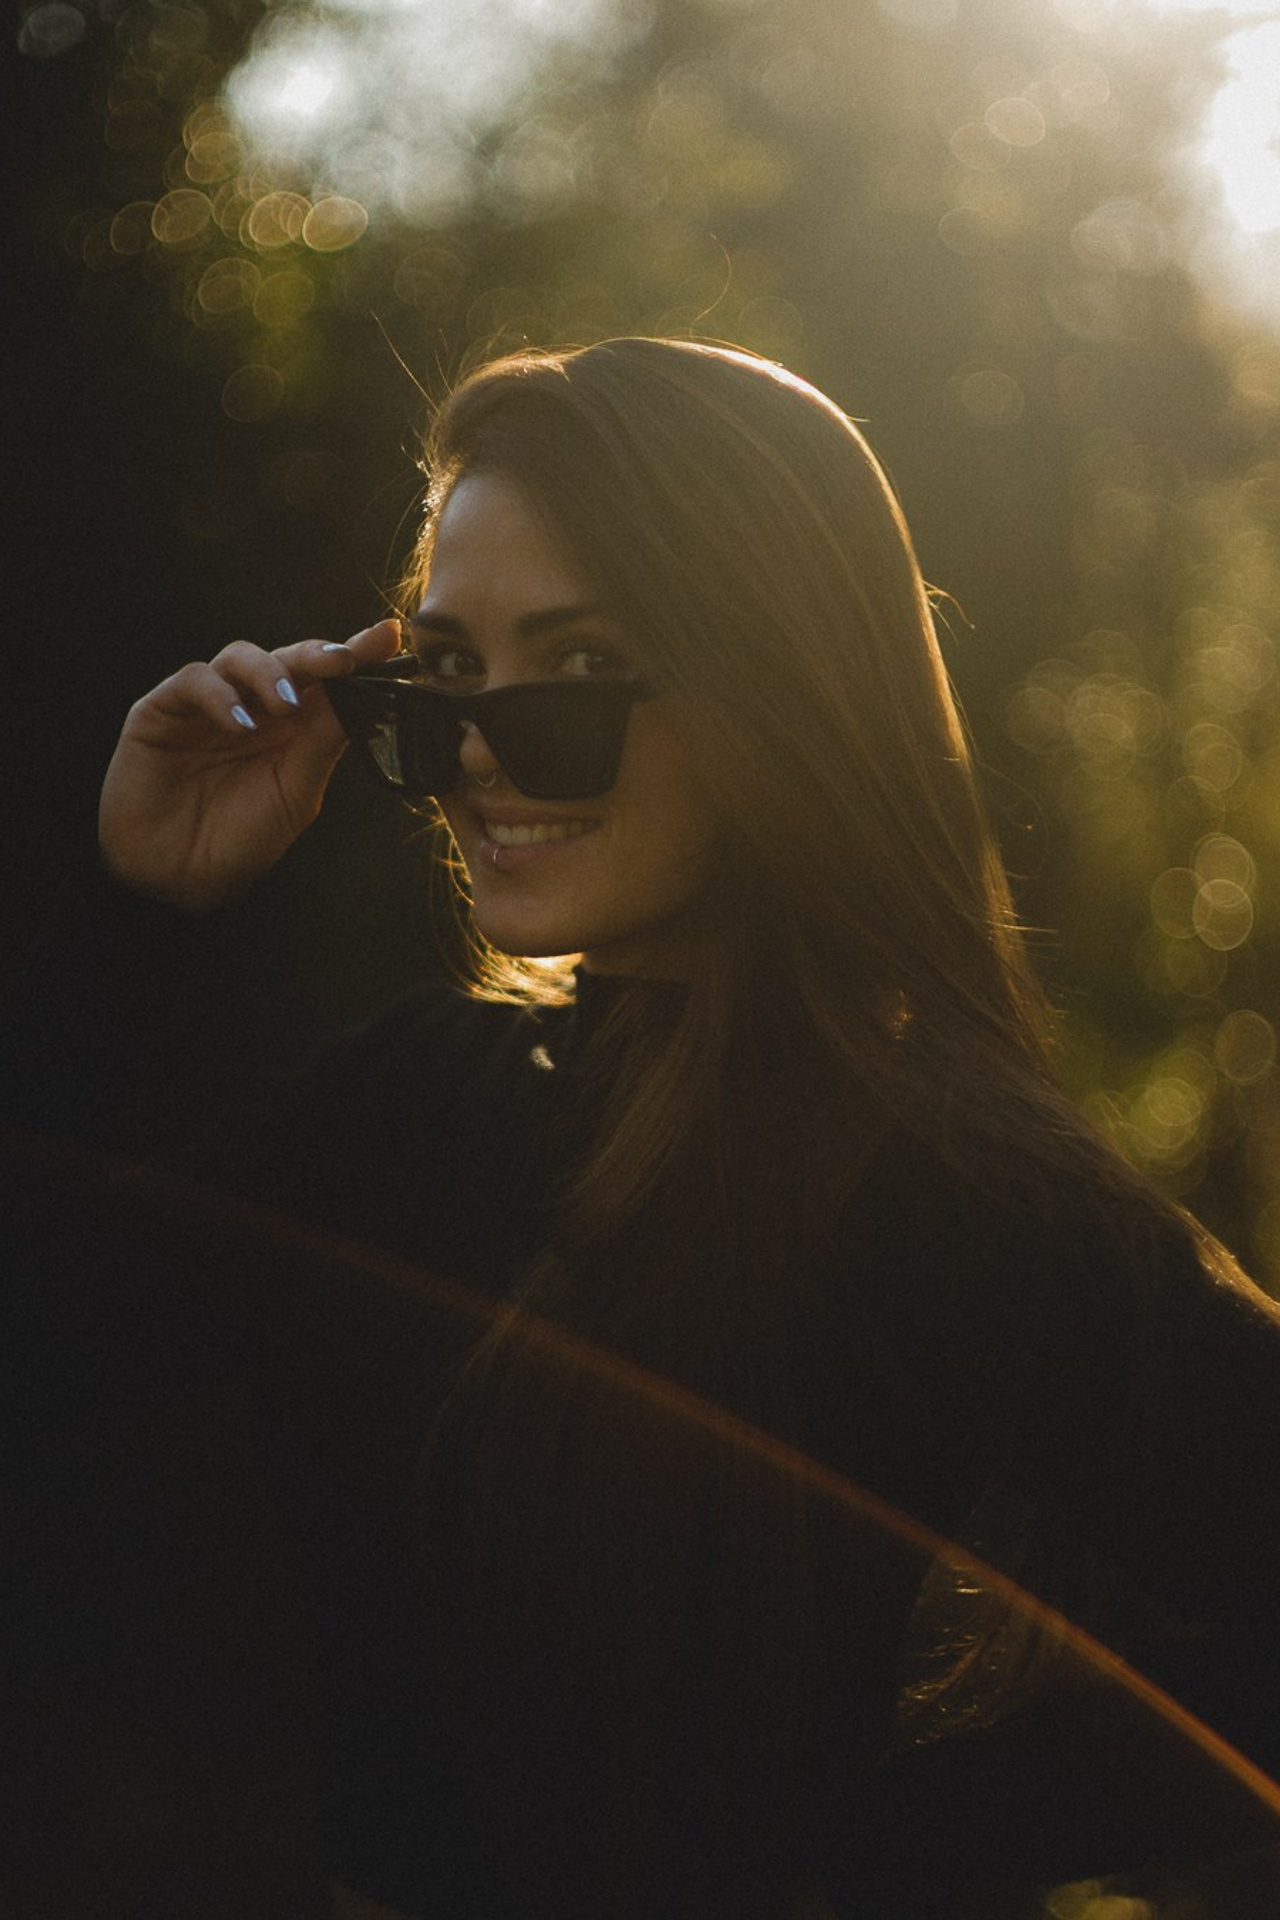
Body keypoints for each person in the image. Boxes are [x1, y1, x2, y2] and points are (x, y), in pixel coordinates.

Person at [5, 336, 1280, 1918]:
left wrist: (862, 1854)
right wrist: (146, 913)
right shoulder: (409, 1098)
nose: (473, 751)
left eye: (582, 671)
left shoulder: (949, 1189)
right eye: (448, 671)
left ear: (776, 692)